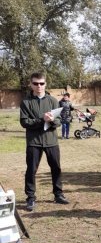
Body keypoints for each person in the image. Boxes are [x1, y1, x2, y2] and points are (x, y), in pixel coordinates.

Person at [20, 72, 69, 211]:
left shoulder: (53, 101)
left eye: (41, 83)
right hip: (34, 142)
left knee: (56, 168)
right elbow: (24, 122)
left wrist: (53, 120)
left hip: (51, 140)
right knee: (31, 170)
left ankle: (58, 194)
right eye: (35, 83)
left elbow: (59, 120)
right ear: (31, 84)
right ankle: (30, 198)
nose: (39, 86)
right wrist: (42, 119)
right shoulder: (26, 102)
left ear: (45, 84)